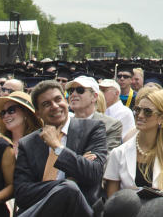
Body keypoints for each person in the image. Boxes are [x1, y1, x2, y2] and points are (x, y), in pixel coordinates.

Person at [13, 80, 109, 217]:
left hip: (79, 211)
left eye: (58, 99)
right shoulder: (27, 144)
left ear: (66, 101)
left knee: (70, 190)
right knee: (68, 187)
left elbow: (93, 173)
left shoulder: (92, 129)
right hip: (42, 210)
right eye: (46, 104)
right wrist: (63, 184)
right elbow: (22, 194)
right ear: (38, 113)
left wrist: (57, 147)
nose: (54, 106)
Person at [103, 89, 163, 206]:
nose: (140, 115)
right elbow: (112, 201)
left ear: (161, 118)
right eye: (137, 110)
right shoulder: (118, 153)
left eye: (147, 112)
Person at [65, 76, 123, 148]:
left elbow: (104, 157)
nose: (73, 94)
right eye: (71, 91)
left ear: (94, 97)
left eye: (80, 90)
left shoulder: (110, 125)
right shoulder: (64, 125)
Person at [0, 91, 42, 158]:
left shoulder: (40, 142)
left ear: (25, 113)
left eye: (11, 110)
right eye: (3, 113)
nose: (6, 115)